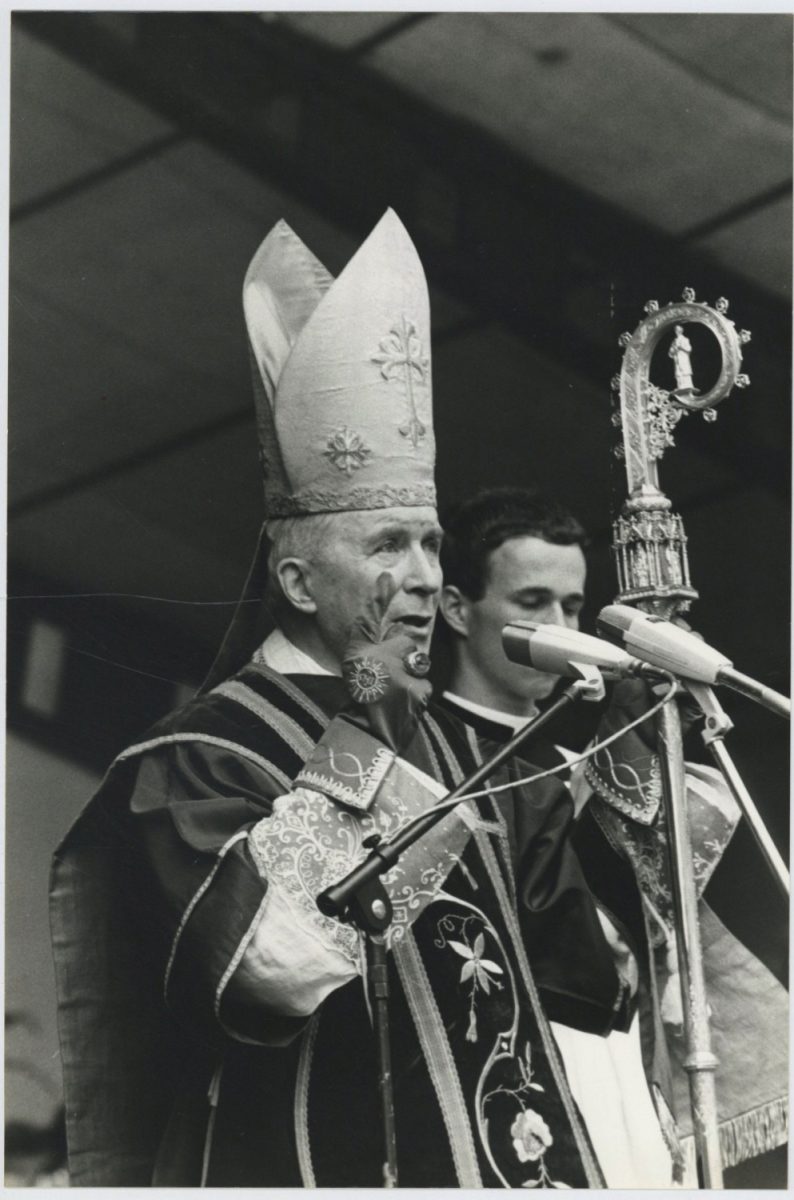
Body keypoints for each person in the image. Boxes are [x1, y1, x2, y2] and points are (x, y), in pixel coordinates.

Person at [50, 213, 614, 1188]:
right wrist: (364, 741)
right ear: (300, 581)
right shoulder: (200, 756)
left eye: (431, 544)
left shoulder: (440, 735)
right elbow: (262, 976)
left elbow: (584, 979)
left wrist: (605, 781)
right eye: (386, 545)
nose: (423, 577)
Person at [437, 485, 788, 1185]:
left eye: (572, 606)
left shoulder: (589, 758)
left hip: (627, 1075)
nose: (561, 623)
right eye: (532, 602)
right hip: (513, 1076)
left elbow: (665, 918)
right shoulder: (430, 757)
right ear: (455, 608)